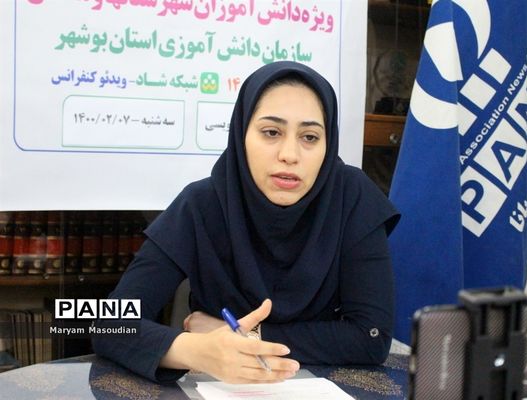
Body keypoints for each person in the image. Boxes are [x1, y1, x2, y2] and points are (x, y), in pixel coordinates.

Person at [92, 61, 400, 384]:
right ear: (241, 134)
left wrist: (249, 336)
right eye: (271, 132)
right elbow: (109, 324)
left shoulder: (352, 198)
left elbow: (371, 336)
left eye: (310, 137)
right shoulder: (202, 204)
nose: (290, 154)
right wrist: (197, 350)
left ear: (328, 143)